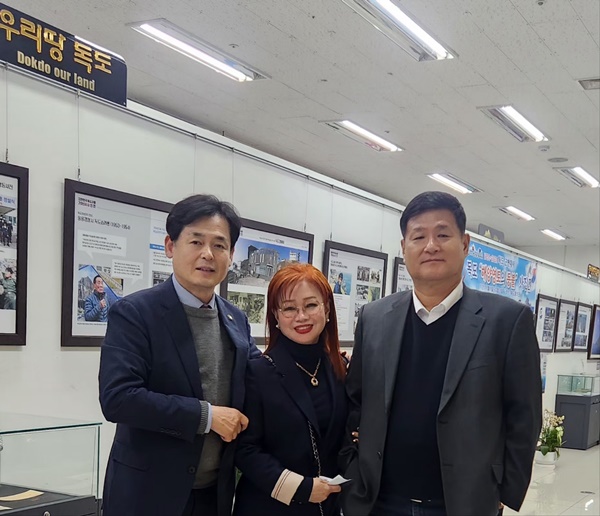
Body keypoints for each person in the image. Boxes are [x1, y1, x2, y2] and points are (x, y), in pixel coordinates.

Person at [340, 191, 542, 516]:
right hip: (380, 501)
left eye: (443, 234)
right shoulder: (374, 318)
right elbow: (355, 401)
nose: (431, 245)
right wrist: (352, 469)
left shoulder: (507, 321)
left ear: (465, 244)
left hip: (464, 503)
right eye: (419, 236)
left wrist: (505, 490)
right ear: (404, 247)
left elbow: (524, 416)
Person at [99, 194, 261, 516]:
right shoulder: (135, 313)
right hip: (148, 495)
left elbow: (261, 377)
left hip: (213, 495)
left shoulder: (236, 319)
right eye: (196, 241)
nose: (207, 254)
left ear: (231, 255)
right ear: (170, 246)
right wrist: (208, 417)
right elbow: (118, 398)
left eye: (219, 245)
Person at [234, 263, 348, 516]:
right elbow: (245, 450)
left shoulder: (340, 368)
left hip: (327, 508)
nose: (301, 316)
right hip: (270, 507)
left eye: (311, 305)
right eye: (289, 308)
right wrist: (301, 489)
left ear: (327, 309)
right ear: (275, 316)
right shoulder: (258, 372)